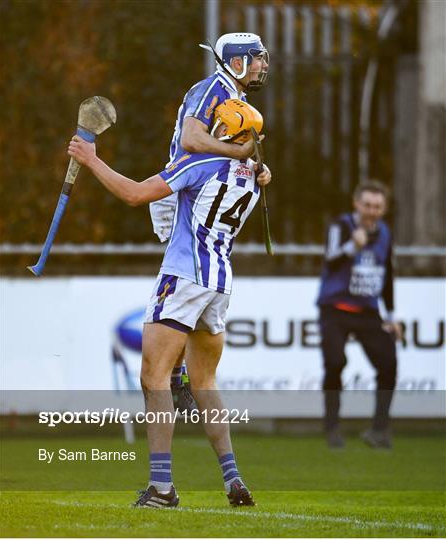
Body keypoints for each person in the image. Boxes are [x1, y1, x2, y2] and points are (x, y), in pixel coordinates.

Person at [68, 99, 272, 507]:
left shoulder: (199, 165)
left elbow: (135, 194)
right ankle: (233, 478)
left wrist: (91, 160)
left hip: (183, 275)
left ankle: (162, 487)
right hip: (219, 283)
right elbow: (258, 167)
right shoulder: (253, 178)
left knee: (153, 378)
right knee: (205, 383)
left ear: (224, 134)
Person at [151, 32, 269, 409]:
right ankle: (173, 374)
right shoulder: (210, 88)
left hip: (199, 189)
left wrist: (253, 166)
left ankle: (178, 373)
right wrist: (237, 152)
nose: (263, 65)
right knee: (186, 279)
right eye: (257, 58)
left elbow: (231, 153)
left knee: (197, 282)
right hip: (180, 190)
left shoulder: (236, 96)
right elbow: (191, 139)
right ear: (237, 62)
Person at [316, 180, 402, 449]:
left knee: (388, 364)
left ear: (384, 208)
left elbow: (387, 274)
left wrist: (391, 315)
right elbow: (330, 260)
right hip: (335, 309)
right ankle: (332, 428)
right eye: (367, 205)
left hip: (368, 311)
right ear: (356, 203)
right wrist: (352, 246)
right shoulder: (341, 226)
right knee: (335, 362)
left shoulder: (385, 233)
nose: (371, 211)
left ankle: (379, 429)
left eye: (377, 207)